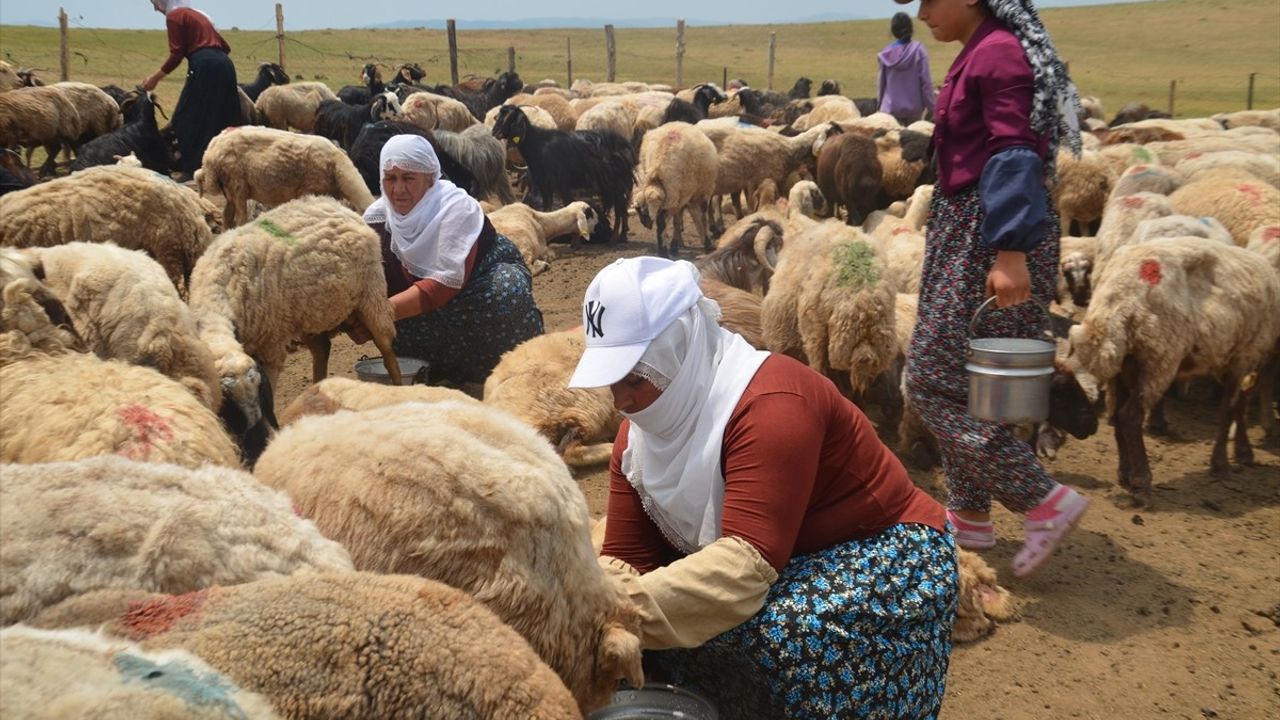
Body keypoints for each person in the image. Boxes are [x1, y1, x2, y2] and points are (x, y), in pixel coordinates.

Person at [568, 256, 956, 719]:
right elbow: (627, 560)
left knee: (782, 634)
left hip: (883, 551)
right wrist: (585, 608)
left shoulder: (771, 404)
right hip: (787, 558)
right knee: (662, 637)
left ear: (683, 348)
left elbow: (742, 571)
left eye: (635, 378)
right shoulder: (638, 440)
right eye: (611, 382)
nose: (621, 401)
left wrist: (606, 616)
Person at [895, 0, 1088, 577]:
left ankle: (1043, 500)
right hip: (967, 227)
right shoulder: (978, 51)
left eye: (930, 0)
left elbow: (1014, 151)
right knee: (968, 381)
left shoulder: (998, 54)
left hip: (989, 233)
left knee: (929, 379)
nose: (923, 12)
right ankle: (970, 515)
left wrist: (1010, 251)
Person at [360, 135, 543, 387]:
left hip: (475, 291)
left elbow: (444, 285)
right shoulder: (376, 221)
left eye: (409, 178)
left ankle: (508, 372)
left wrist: (377, 314)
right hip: (421, 308)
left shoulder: (454, 209)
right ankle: (434, 372)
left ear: (431, 178)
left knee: (506, 291)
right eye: (390, 179)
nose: (398, 189)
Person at [140, 0, 240, 180]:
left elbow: (176, 53)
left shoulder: (174, 17)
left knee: (184, 117)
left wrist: (155, 78)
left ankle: (192, 168)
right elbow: (226, 47)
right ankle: (227, 165)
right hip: (225, 64)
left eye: (154, 3)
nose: (155, 9)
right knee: (223, 115)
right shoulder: (201, 15)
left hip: (204, 64)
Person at [876, 11, 936, 125]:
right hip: (913, 111)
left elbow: (881, 83)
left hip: (890, 110)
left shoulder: (886, 53)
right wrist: (932, 107)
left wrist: (879, 105)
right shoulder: (919, 50)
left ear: (893, 31)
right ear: (911, 29)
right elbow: (926, 83)